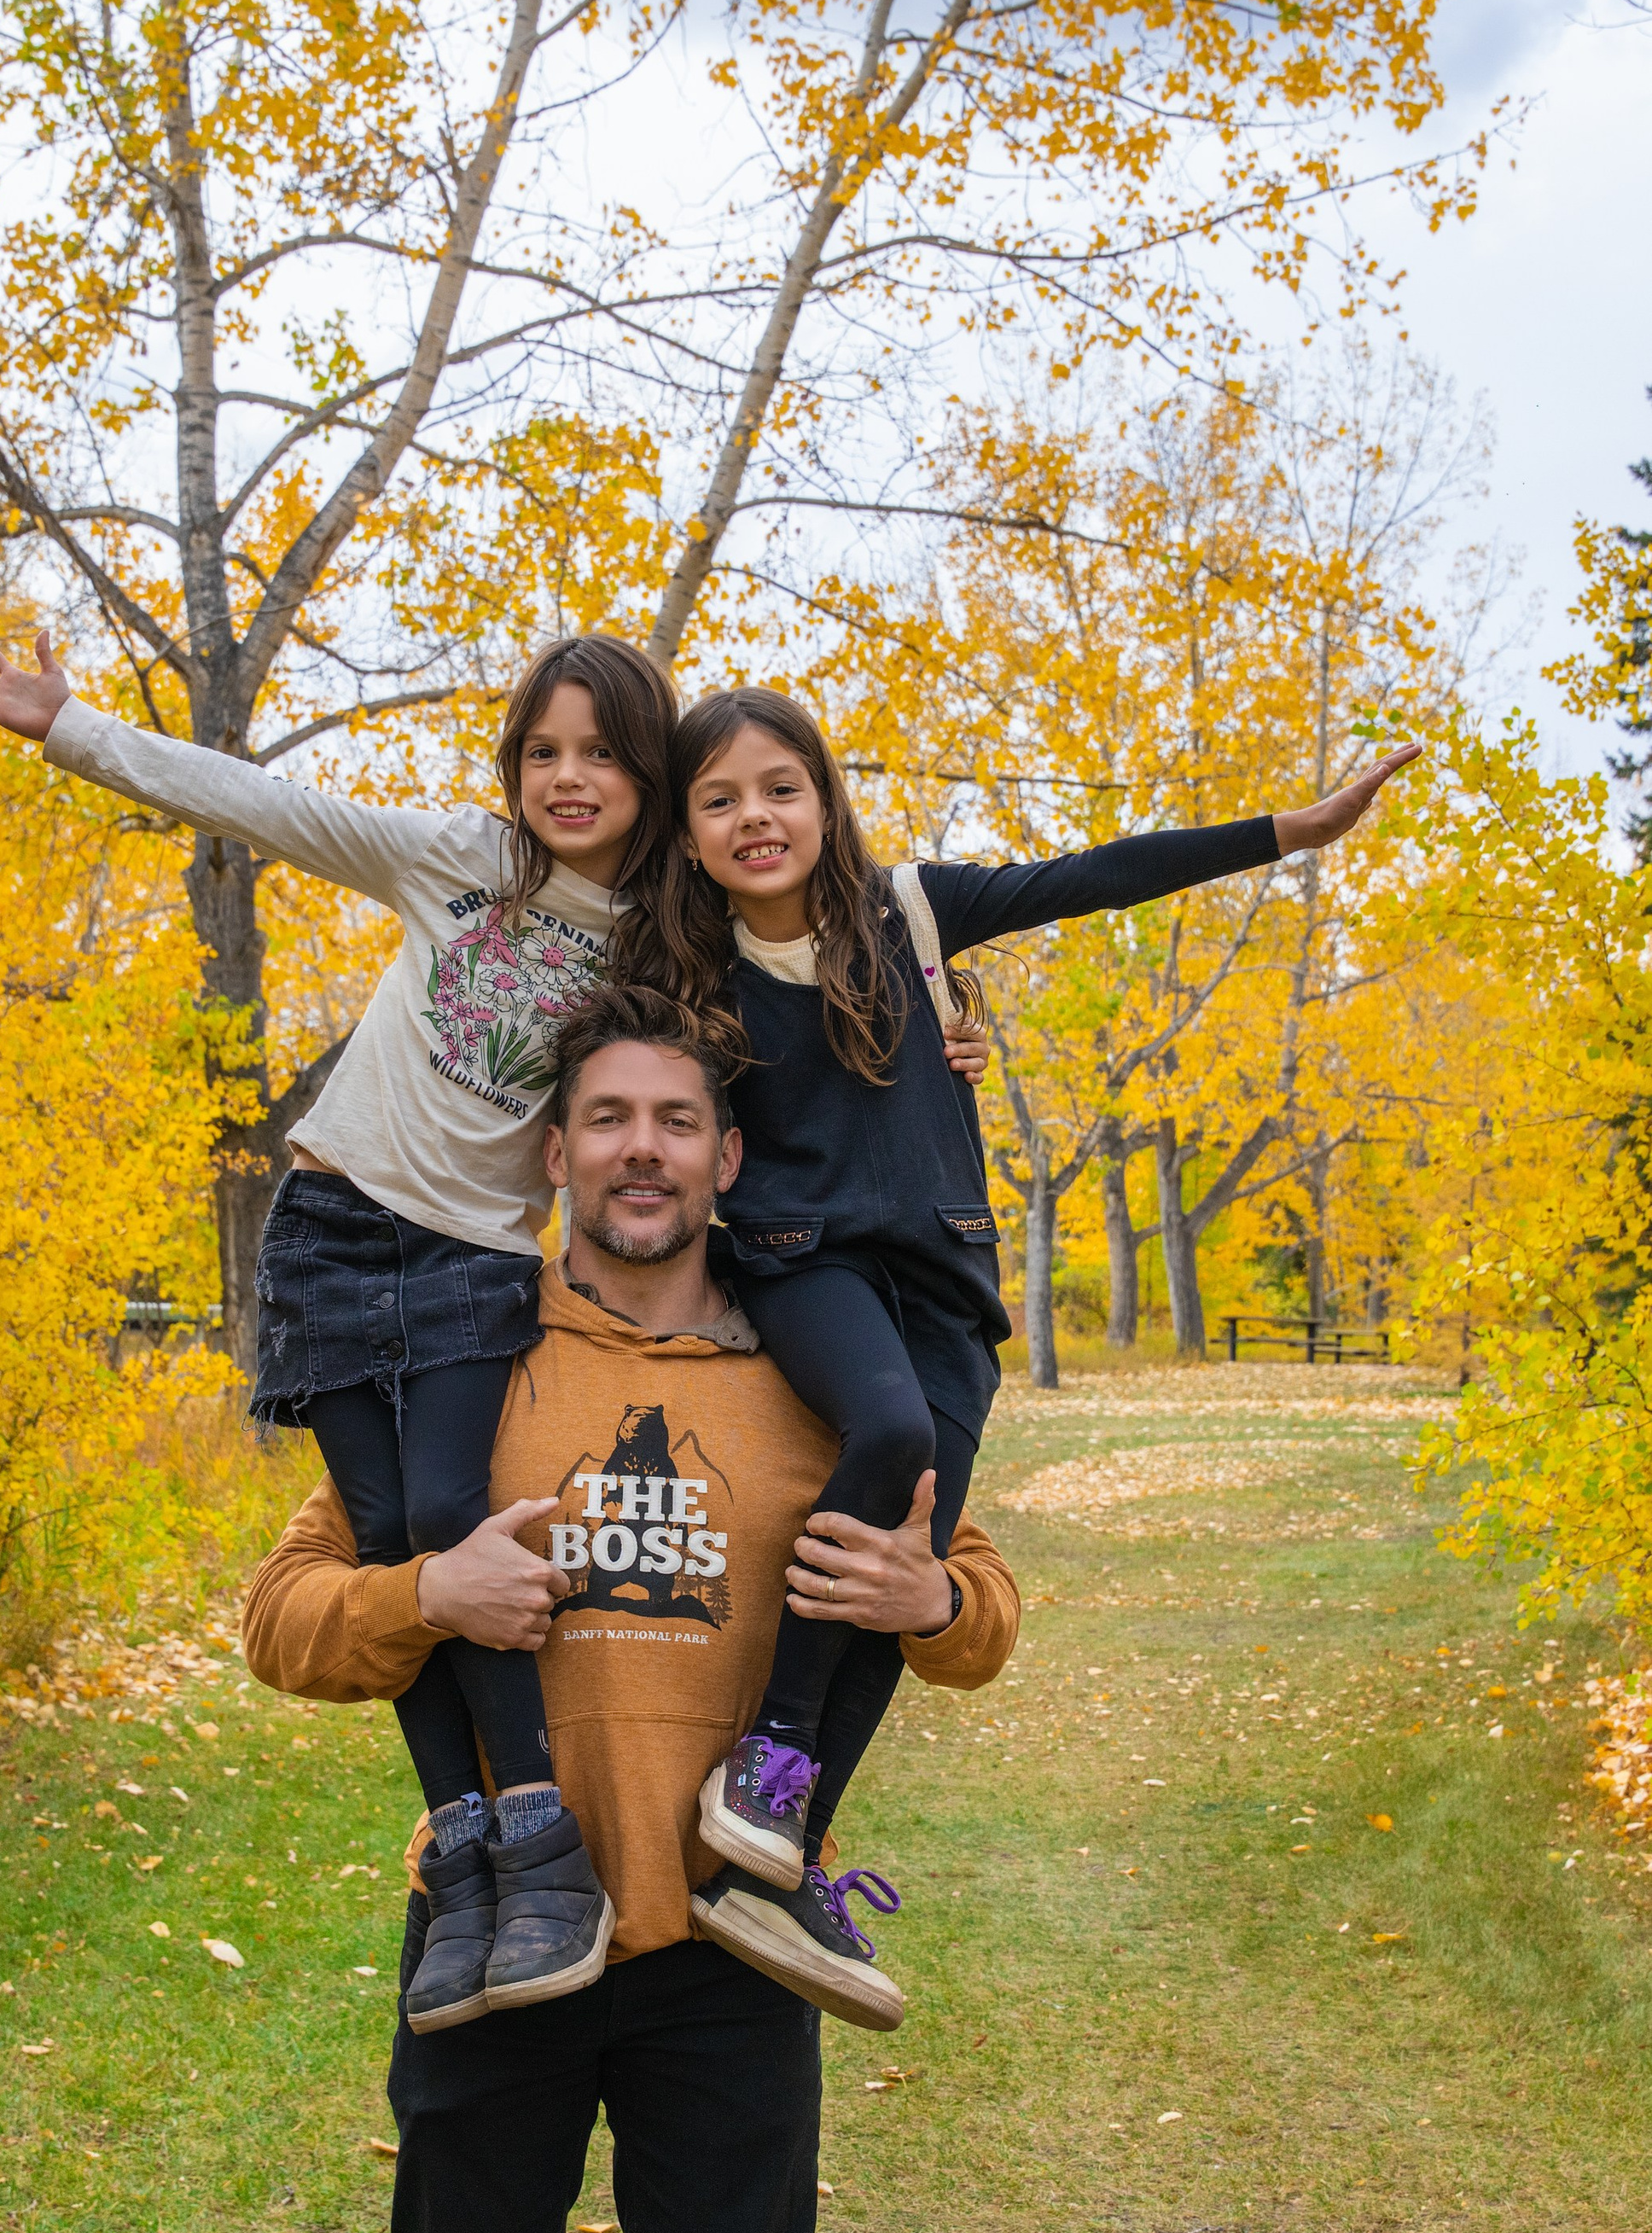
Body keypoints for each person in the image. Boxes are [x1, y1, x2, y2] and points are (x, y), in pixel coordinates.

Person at [237, 980, 1022, 2233]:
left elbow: (981, 1600)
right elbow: (283, 1611)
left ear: (728, 1152)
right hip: (504, 1932)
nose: (644, 1150)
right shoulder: (469, 1351)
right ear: (556, 1150)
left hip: (730, 1955)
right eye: (607, 1118)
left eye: (678, 1117)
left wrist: (934, 1598)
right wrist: (431, 1591)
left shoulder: (817, 1365)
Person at [0, 629, 991, 2031]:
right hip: (333, 1226)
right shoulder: (456, 863)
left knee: (447, 1506)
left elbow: (808, 1007)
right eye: (543, 751)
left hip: (475, 1265)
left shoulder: (670, 950)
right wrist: (69, 728)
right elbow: (264, 804)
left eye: (606, 754)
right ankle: (488, 1845)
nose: (569, 778)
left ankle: (666, 1835)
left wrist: (943, 1031)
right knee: (406, 1545)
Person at [609, 689, 1422, 1993]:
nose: (754, 817)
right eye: (719, 799)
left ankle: (774, 1863)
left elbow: (1100, 875)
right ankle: (765, 1780)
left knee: (915, 1541)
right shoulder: (685, 976)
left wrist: (1294, 828)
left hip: (945, 1274)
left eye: (779, 788)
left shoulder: (915, 916)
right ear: (690, 833)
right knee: (890, 1432)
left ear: (825, 798)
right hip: (801, 1260)